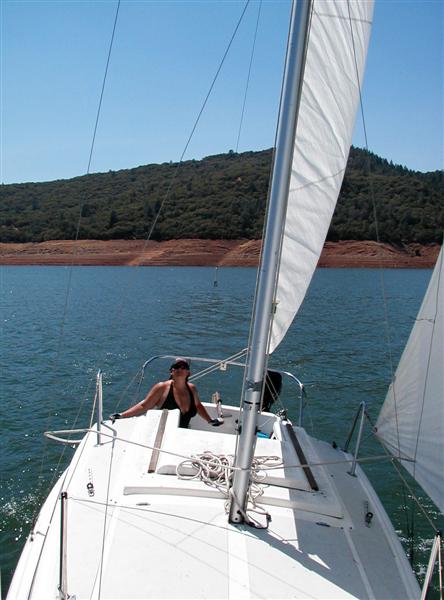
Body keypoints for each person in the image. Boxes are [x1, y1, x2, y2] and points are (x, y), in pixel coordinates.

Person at [110, 359, 221, 429]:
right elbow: (145, 405)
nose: (180, 369)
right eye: (176, 367)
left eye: (183, 367)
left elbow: (198, 406)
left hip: (183, 432)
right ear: (171, 371)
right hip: (163, 434)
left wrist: (210, 421)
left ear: (188, 373)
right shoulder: (162, 387)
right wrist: (121, 415)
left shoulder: (192, 388)